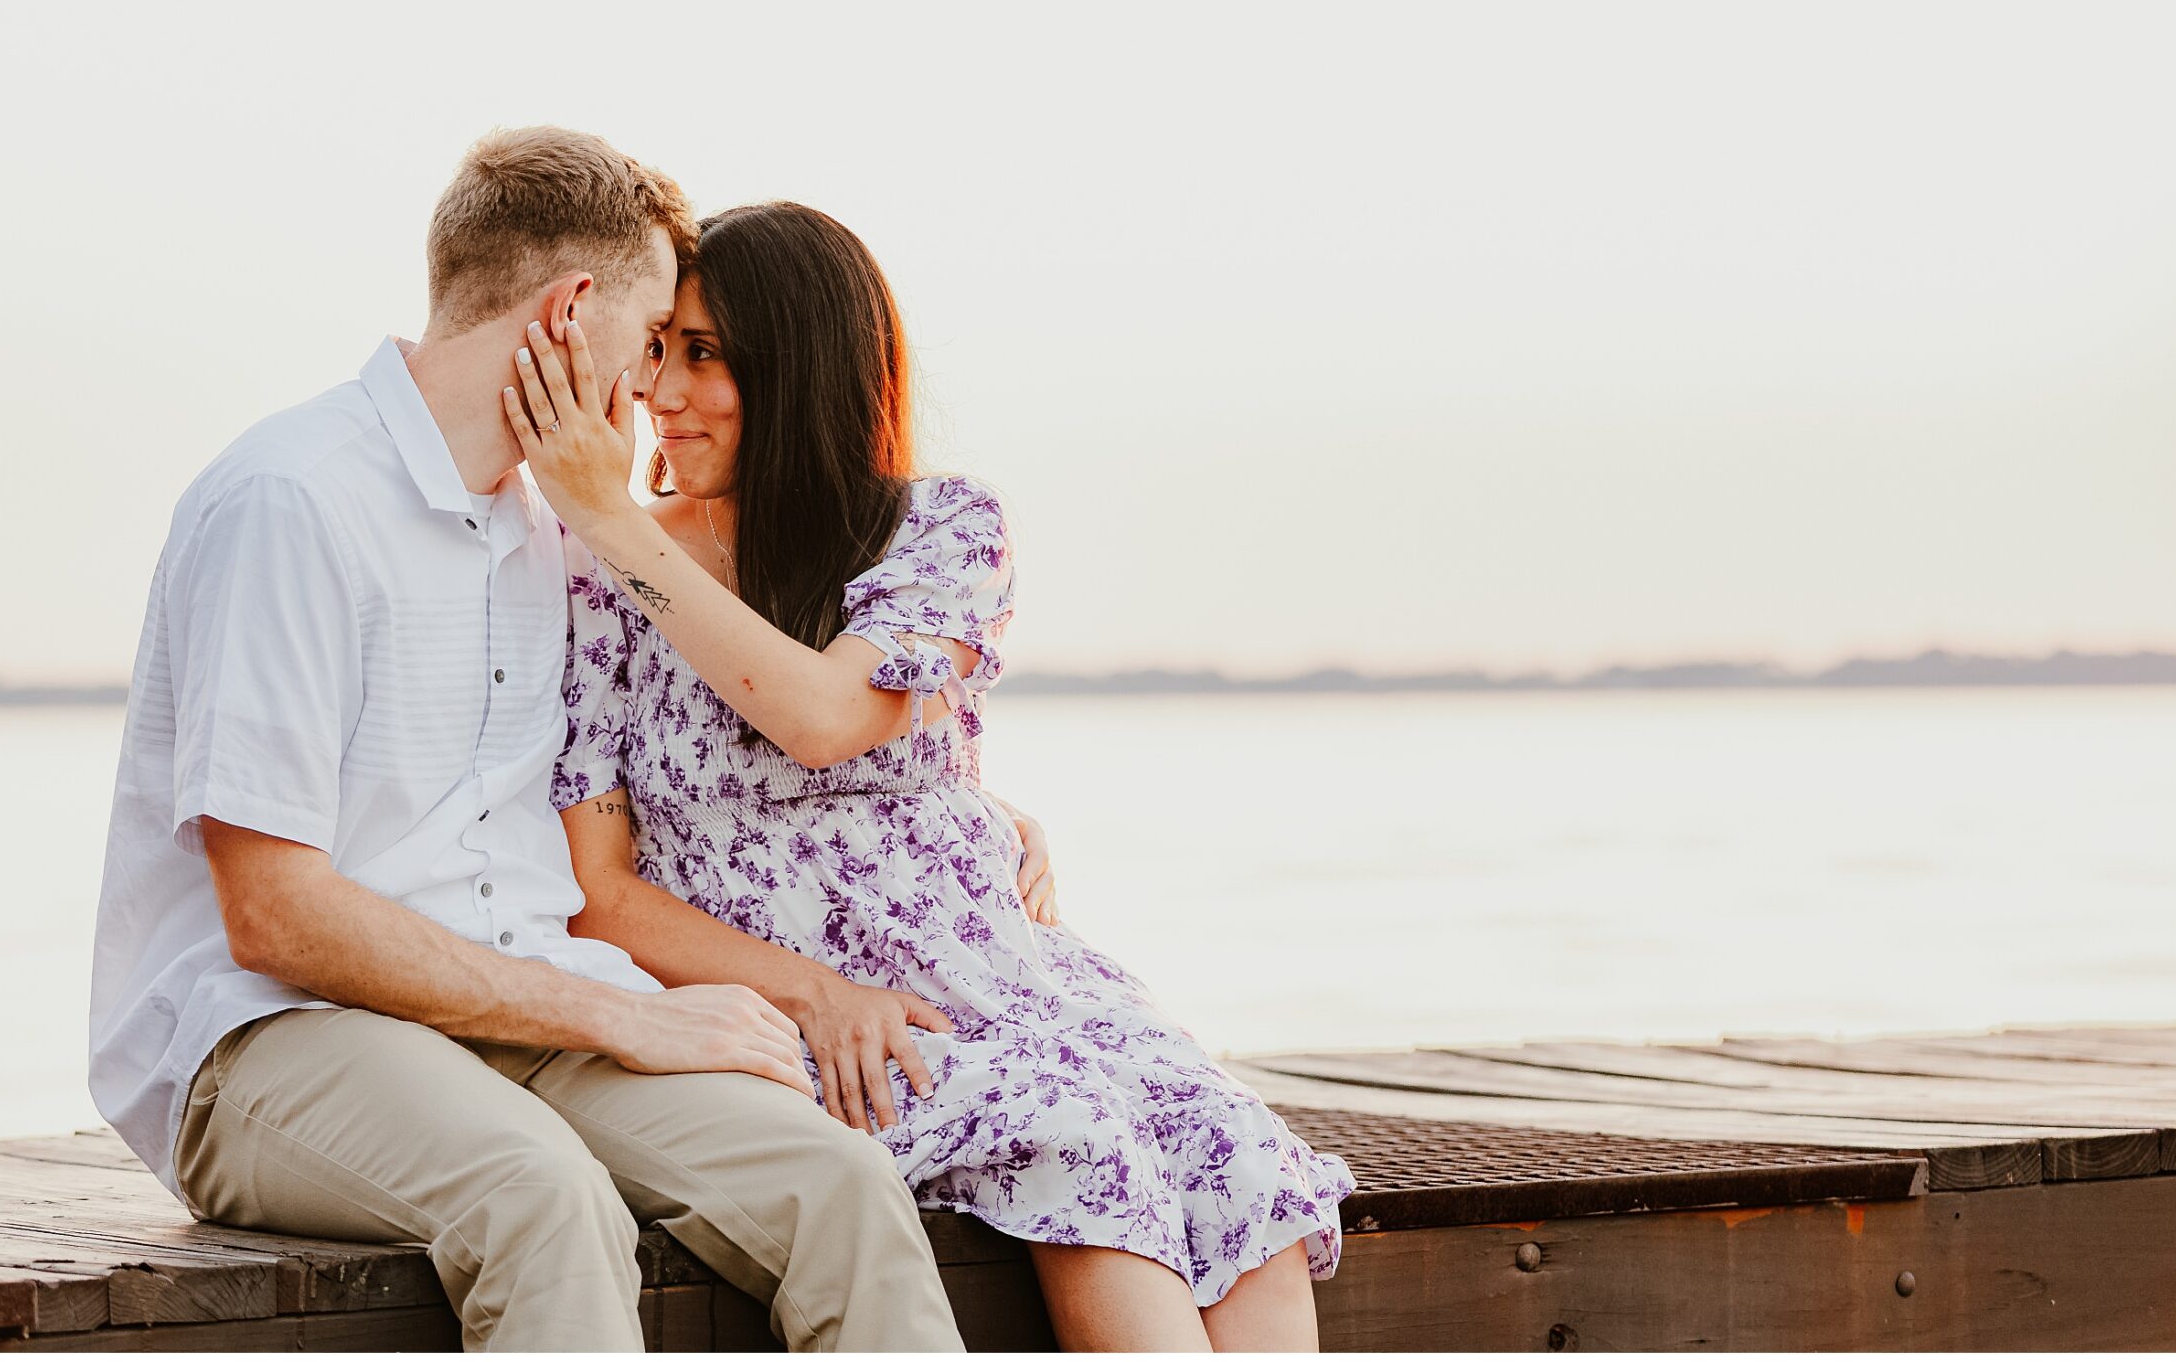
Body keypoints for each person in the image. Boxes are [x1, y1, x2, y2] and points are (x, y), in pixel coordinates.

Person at [86, 131, 964, 1354]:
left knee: (845, 1190)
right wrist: (622, 1018)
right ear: (570, 314)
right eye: (653, 335)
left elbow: (707, 763)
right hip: (271, 1040)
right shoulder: (293, 500)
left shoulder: (559, 534)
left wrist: (981, 817)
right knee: (543, 1198)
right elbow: (275, 917)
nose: (655, 382)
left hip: (530, 1024)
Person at [509, 201, 1356, 1352]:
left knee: (1229, 1153)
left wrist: (618, 523)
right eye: (657, 346)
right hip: (804, 1002)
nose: (661, 390)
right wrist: (812, 992)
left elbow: (820, 717)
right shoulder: (591, 575)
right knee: (1074, 1135)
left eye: (705, 355)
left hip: (1000, 968)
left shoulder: (940, 529)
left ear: (802, 367)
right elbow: (598, 891)